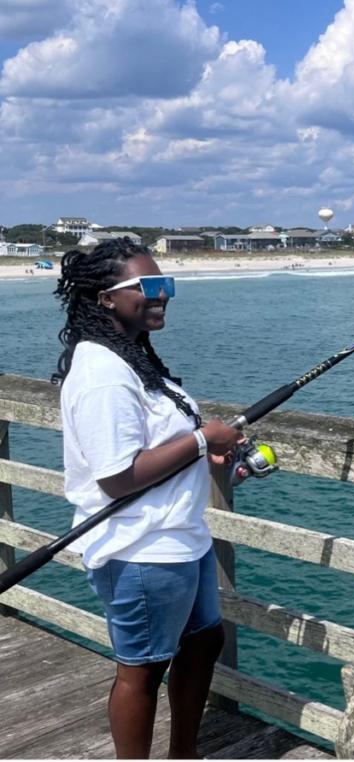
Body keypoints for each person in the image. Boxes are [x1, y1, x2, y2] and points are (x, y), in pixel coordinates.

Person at [52, 237, 242, 759]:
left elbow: (155, 444)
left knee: (205, 642)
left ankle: (185, 753)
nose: (162, 296)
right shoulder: (101, 375)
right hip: (142, 549)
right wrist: (205, 439)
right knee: (143, 669)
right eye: (149, 288)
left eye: (166, 285)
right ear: (105, 298)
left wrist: (207, 457)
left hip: (183, 538)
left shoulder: (131, 356)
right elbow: (116, 477)